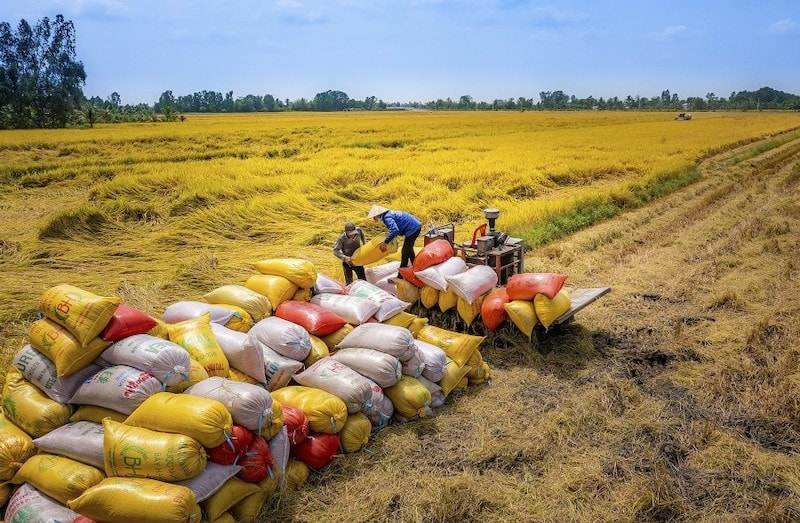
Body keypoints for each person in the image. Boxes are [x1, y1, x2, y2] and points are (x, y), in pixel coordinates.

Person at [367, 205, 421, 270]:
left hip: (413, 228)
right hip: (415, 225)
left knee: (405, 252)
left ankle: (401, 274)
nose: (374, 219)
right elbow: (394, 230)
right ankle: (415, 266)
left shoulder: (387, 217)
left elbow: (395, 230)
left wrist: (385, 242)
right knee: (408, 249)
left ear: (378, 215)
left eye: (374, 217)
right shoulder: (389, 214)